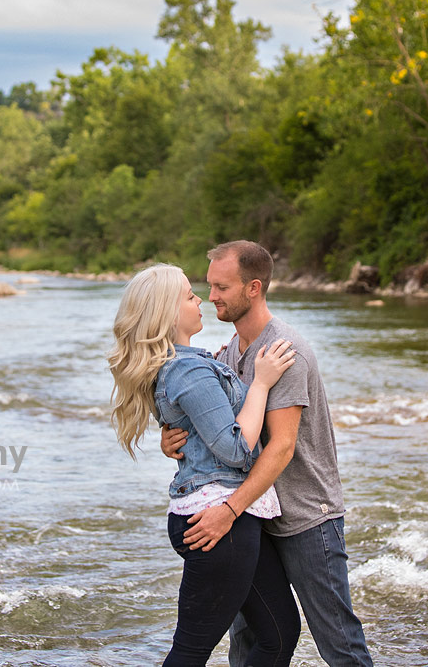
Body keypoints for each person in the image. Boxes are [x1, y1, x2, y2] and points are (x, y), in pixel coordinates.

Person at [162, 240, 374, 666]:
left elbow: (280, 448)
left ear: (253, 288)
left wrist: (228, 511)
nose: (211, 296)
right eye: (208, 286)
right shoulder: (228, 354)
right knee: (252, 642)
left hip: (305, 517)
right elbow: (219, 428)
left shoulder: (284, 353)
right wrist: (172, 437)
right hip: (256, 519)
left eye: (222, 287)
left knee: (340, 644)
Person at [109, 262, 302, 666]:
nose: (201, 299)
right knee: (191, 651)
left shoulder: (188, 363)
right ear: (167, 312)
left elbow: (197, 430)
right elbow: (235, 449)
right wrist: (262, 382)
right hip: (216, 521)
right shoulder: (189, 369)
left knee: (280, 632)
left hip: (224, 518)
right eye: (189, 295)